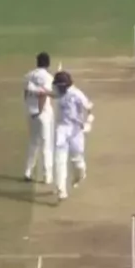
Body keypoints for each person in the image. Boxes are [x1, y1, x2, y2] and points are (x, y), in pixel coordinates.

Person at [52, 71, 94, 201]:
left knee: (77, 162)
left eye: (59, 86)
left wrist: (88, 121)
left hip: (76, 131)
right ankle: (61, 190)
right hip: (61, 129)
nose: (57, 88)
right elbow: (51, 93)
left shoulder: (77, 94)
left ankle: (80, 175)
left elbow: (89, 107)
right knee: (60, 160)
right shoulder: (58, 92)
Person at [23, 52, 55, 184]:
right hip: (43, 114)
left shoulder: (28, 76)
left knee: (33, 143)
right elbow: (43, 95)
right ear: (48, 63)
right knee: (46, 145)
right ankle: (47, 176)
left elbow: (26, 93)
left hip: (30, 113)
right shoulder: (48, 77)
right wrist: (40, 111)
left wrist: (30, 109)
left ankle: (28, 172)